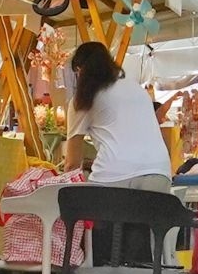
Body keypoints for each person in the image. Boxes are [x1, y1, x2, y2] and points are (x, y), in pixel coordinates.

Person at [69, 40, 174, 183]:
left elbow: (72, 164)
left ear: (80, 69)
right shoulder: (137, 89)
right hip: (160, 171)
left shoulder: (84, 97)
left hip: (115, 175)